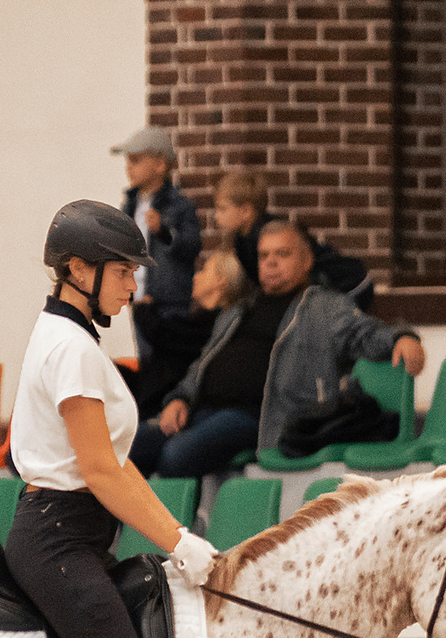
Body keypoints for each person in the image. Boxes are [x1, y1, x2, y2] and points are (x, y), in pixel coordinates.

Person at [0, 201, 220, 638]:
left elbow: (117, 466)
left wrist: (177, 535)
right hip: (57, 540)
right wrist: (180, 542)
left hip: (78, 534)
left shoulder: (75, 340)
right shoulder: (68, 348)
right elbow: (98, 468)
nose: (134, 287)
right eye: (123, 271)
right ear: (77, 270)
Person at [224, 219, 425, 461]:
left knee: (175, 455)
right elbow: (200, 366)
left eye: (282, 253)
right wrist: (181, 398)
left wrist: (401, 336)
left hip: (273, 423)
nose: (271, 262)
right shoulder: (238, 311)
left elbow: (364, 334)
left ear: (307, 260)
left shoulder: (324, 307)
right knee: (169, 441)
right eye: (263, 255)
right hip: (211, 413)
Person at [130, 251, 256, 477]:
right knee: (126, 446)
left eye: (205, 270)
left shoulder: (217, 322)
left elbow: (163, 334)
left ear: (221, 281)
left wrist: (142, 310)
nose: (196, 276)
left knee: (172, 453)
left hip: (197, 409)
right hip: (182, 405)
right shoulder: (201, 320)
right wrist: (180, 398)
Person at [115, 126, 206, 415]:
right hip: (139, 299)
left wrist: (164, 230)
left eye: (136, 160)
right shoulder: (129, 204)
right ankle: (151, 414)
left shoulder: (179, 205)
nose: (129, 167)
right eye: (128, 160)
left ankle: (170, 412)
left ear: (160, 163)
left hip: (167, 303)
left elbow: (191, 246)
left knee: (167, 364)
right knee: (146, 363)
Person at [212, 168, 376, 310]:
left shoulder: (268, 236)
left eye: (222, 209)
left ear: (246, 211)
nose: (216, 216)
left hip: (347, 284)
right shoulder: (242, 240)